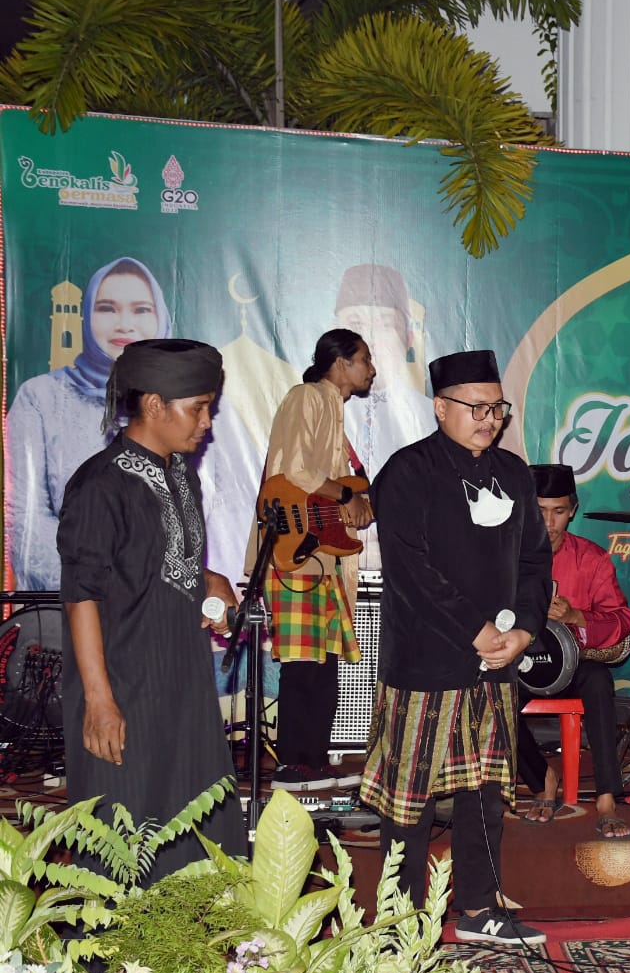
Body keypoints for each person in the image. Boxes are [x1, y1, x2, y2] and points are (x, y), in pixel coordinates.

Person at [359, 349, 552, 945]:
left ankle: (478, 908)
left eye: (498, 408)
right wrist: (476, 629)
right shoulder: (407, 472)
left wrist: (523, 630)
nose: (489, 418)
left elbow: (535, 563)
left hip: (496, 663)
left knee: (486, 792)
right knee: (409, 800)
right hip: (425, 662)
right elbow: (411, 571)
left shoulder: (516, 474)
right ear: (440, 407)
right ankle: (400, 923)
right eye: (476, 407)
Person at [58, 338, 248, 884]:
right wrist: (98, 700)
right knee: (124, 832)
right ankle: (114, 969)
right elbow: (82, 595)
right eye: (198, 408)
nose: (207, 423)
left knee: (198, 822)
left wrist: (209, 585)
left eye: (210, 406)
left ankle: (201, 963)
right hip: (122, 688)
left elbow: (163, 563)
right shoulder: (101, 485)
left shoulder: (181, 474)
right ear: (154, 405)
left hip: (182, 685)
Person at [7, 256, 262, 590]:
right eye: (107, 308)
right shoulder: (46, 403)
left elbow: (228, 512)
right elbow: (27, 521)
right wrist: (124, 586)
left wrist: (208, 582)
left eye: (142, 309)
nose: (124, 324)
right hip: (91, 613)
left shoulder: (184, 472)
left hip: (177, 622)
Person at [254, 329, 377, 792]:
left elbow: (330, 486)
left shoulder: (336, 413)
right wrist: (346, 492)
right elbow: (294, 471)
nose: (372, 369)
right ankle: (291, 765)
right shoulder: (307, 397)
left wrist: (354, 500)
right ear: (340, 363)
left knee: (324, 664)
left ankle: (313, 760)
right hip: (296, 554)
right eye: (365, 359)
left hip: (324, 557)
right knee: (304, 666)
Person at [516, 464, 630, 838]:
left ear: (572, 510)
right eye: (539, 511)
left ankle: (605, 797)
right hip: (520, 665)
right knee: (489, 687)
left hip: (572, 668)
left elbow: (622, 619)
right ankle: (542, 781)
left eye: (558, 511)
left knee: (599, 680)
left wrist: (577, 616)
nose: (549, 523)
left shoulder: (591, 558)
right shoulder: (506, 556)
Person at [336, 264, 436, 480]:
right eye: (356, 323)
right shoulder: (316, 409)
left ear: (409, 338)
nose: (369, 339)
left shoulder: (431, 417)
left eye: (385, 324)